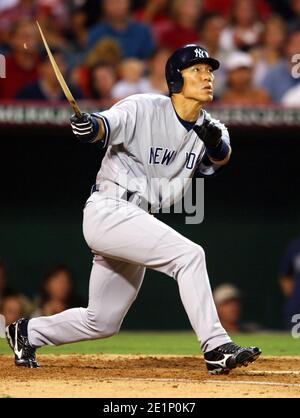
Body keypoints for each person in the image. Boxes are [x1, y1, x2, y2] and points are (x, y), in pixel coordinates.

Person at [6, 44, 261, 375]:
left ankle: (26, 333)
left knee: (102, 320)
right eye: (196, 70)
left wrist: (213, 141)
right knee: (189, 255)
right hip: (109, 208)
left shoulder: (209, 126)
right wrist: (90, 127)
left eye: (209, 70)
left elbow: (220, 158)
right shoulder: (144, 107)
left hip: (136, 218)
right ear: (175, 78)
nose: (207, 76)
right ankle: (215, 347)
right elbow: (104, 125)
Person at [87, 0, 155, 60]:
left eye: (120, 1)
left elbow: (151, 59)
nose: (117, 5)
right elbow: (90, 62)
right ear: (104, 5)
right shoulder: (95, 33)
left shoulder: (142, 31)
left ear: (129, 2)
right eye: (112, 1)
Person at [261, 29, 300, 102]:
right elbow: (263, 102)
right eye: (296, 45)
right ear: (287, 47)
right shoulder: (273, 74)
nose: (299, 49)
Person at [279, 237, 300, 328]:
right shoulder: (295, 246)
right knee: (296, 340)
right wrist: (294, 297)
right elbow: (285, 277)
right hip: (297, 308)